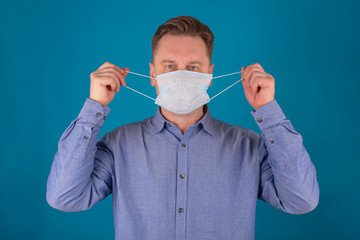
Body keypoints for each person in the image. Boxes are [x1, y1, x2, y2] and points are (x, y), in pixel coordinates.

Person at [46, 16, 319, 240]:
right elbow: (65, 197)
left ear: (209, 75)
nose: (181, 74)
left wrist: (268, 111)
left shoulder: (248, 146)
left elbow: (301, 200)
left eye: (192, 66)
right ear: (152, 74)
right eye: (169, 66)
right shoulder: (119, 144)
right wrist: (94, 106)